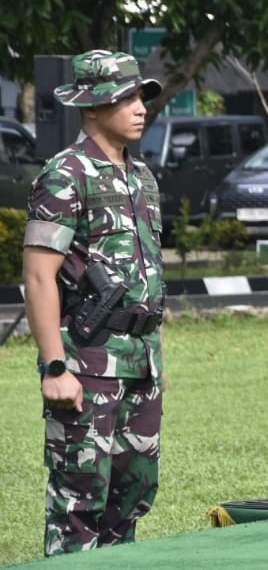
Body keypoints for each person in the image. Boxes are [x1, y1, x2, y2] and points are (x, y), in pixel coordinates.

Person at [22, 50, 167, 555]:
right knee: (79, 503)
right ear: (90, 107)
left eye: (141, 97)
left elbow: (150, 277)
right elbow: (39, 278)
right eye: (124, 98)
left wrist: (158, 357)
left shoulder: (143, 178)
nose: (139, 107)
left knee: (132, 497)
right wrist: (53, 365)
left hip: (141, 364)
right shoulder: (65, 174)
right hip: (87, 364)